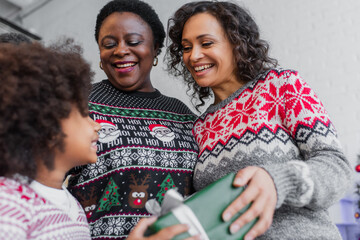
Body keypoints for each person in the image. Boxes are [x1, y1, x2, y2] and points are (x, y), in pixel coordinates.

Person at [167, 1, 351, 240]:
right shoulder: (200, 126)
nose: (194, 56)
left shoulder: (281, 86)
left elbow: (337, 168)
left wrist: (278, 181)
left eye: (206, 43)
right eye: (186, 47)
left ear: (236, 43)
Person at [0, 40, 196, 240]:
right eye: (84, 115)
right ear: (45, 125)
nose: (97, 125)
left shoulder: (73, 207)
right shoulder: (9, 202)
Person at [66, 0, 199, 239]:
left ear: (156, 47)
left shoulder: (183, 115)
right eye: (109, 44)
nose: (120, 50)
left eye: (133, 42)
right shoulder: (79, 103)